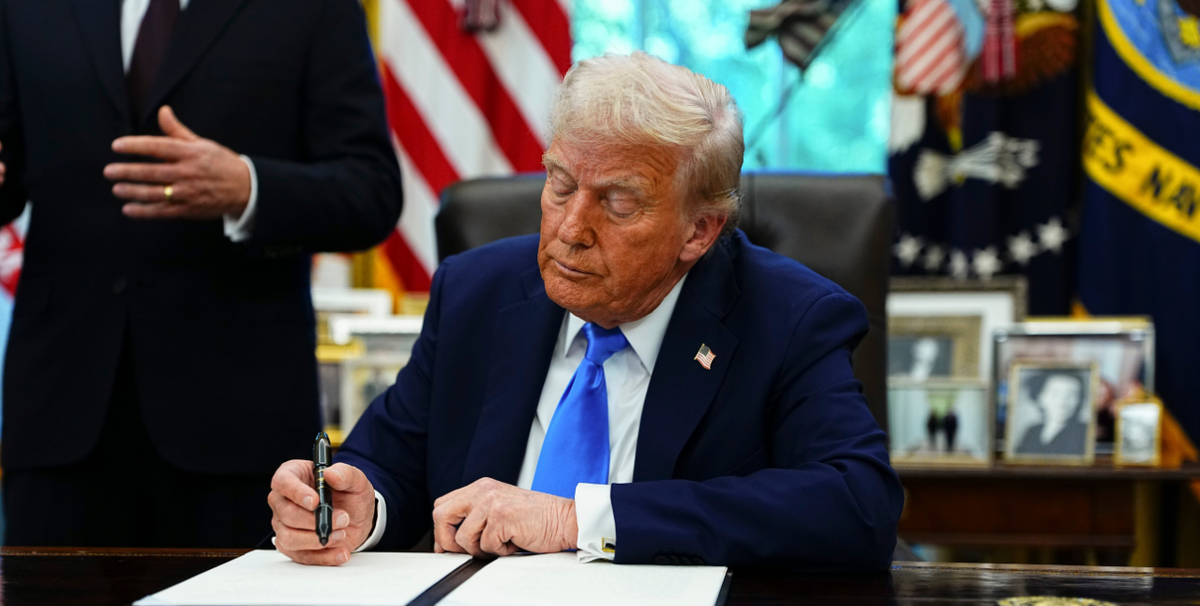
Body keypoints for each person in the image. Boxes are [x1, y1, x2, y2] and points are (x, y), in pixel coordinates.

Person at [267, 52, 903, 570]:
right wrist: (357, 508)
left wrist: (579, 520)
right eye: (561, 184)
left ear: (699, 231)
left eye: (618, 203)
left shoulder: (788, 318)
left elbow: (857, 503)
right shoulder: (477, 292)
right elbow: (388, 460)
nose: (570, 229)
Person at [0, 0, 402, 547]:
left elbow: (372, 192)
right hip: (60, 413)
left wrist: (248, 187)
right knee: (41, 605)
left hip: (237, 422)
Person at [1015, 370, 1091, 456]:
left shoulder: (1085, 432)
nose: (1062, 402)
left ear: (1080, 400)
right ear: (1040, 397)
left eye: (1072, 395)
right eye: (1055, 394)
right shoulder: (1032, 431)